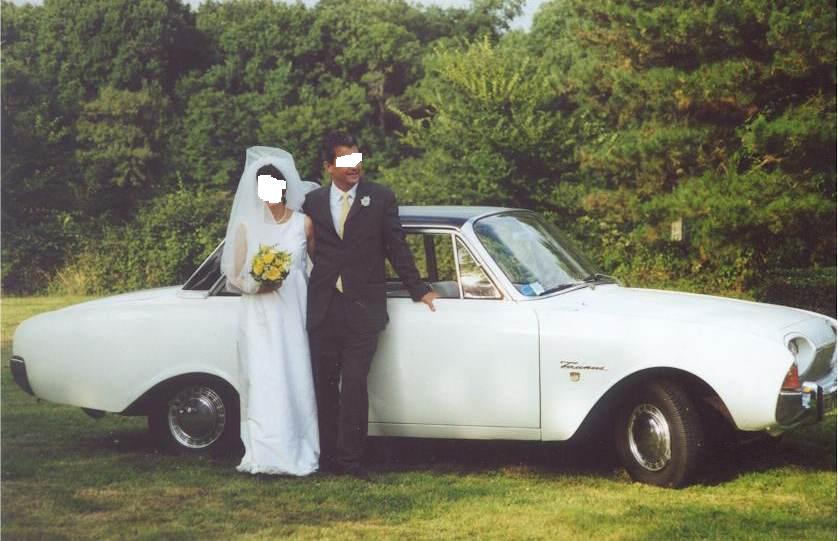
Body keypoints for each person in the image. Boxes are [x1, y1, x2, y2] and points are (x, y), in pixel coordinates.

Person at [303, 132, 439, 480]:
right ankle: (327, 457)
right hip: (324, 306)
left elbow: (397, 247)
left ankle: (350, 460)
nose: (355, 166)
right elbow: (306, 248)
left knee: (354, 382)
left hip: (364, 308)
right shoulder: (313, 202)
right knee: (324, 384)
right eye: (346, 160)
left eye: (357, 158)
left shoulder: (380, 198)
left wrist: (420, 290)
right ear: (329, 166)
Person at [220, 146, 319, 476]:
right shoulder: (246, 227)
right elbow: (234, 276)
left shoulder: (304, 224)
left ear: (285, 187)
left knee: (295, 374)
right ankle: (264, 452)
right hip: (260, 315)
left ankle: (298, 448)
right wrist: (256, 285)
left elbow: (316, 266)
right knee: (265, 378)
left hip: (293, 312)